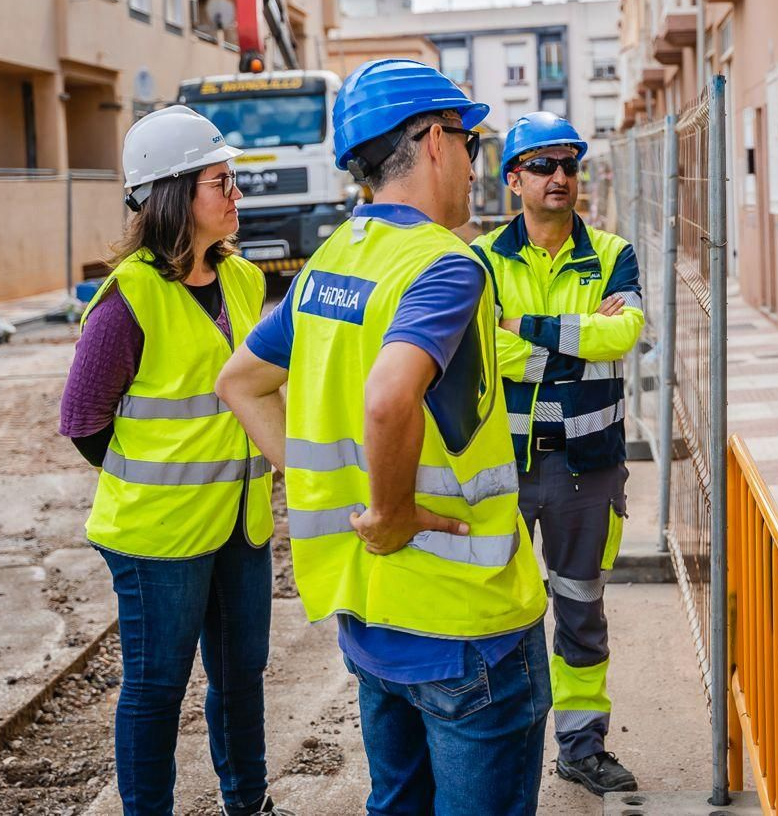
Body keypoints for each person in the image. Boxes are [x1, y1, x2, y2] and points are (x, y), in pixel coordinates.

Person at [214, 59, 551, 816]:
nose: (473, 162)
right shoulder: (444, 263)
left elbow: (240, 382)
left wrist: (329, 490)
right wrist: (391, 510)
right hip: (466, 626)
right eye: (469, 141)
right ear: (434, 140)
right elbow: (389, 395)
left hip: (371, 622)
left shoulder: (328, 264)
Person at [57, 105, 285, 816]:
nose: (236, 195)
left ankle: (248, 802)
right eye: (223, 181)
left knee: (241, 676)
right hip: (159, 537)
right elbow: (82, 420)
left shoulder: (246, 281)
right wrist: (156, 480)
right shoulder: (128, 299)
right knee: (157, 689)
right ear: (175, 194)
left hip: (240, 527)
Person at [472, 113, 645, 797]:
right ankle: (501, 743)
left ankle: (581, 746)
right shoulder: (482, 260)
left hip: (587, 468)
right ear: (513, 178)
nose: (560, 178)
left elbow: (622, 334)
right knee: (500, 618)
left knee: (580, 610)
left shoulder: (611, 254)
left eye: (568, 164)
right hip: (505, 468)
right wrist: (571, 340)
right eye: (542, 165)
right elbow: (482, 345)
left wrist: (528, 333)